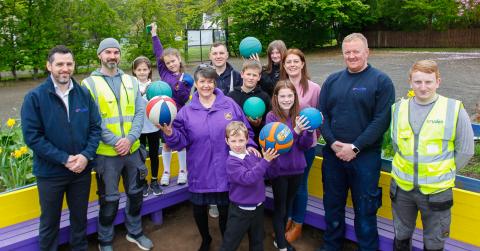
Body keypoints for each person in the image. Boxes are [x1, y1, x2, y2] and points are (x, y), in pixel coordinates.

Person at [157, 65, 260, 251]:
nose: (206, 85)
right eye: (202, 81)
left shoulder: (229, 105)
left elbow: (246, 130)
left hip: (225, 172)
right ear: (196, 83)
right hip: (199, 170)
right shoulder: (187, 111)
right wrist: (170, 133)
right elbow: (180, 142)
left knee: (225, 211)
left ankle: (226, 242)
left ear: (215, 82)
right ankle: (206, 240)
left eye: (210, 81)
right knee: (199, 211)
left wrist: (251, 146)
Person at [318, 33, 395, 251]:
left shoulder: (381, 81)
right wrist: (332, 143)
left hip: (365, 158)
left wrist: (356, 147)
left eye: (356, 51)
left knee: (365, 209)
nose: (351, 56)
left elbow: (382, 120)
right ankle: (331, 246)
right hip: (333, 156)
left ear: (367, 52)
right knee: (332, 206)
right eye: (347, 52)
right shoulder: (332, 80)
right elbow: (322, 114)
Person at [21, 45, 102, 250]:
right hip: (50, 174)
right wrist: (64, 159)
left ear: (73, 66)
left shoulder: (84, 94)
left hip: (80, 171)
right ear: (49, 66)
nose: (64, 69)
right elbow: (33, 137)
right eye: (59, 64)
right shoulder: (35, 98)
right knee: (49, 223)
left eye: (68, 64)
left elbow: (95, 128)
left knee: (79, 219)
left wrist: (85, 156)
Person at [390, 60, 474, 251]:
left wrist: (445, 171)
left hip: (437, 193)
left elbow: (466, 150)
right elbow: (396, 144)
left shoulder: (454, 109)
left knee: (434, 241)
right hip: (402, 189)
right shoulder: (398, 109)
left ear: (438, 82)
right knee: (401, 236)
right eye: (418, 82)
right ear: (410, 82)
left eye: (428, 82)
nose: (423, 87)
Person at [81, 38, 153, 251]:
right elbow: (92, 119)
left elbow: (140, 112)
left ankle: (135, 232)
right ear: (100, 55)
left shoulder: (131, 81)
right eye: (108, 52)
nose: (112, 56)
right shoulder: (89, 84)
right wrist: (115, 142)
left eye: (116, 52)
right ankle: (105, 240)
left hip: (132, 150)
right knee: (109, 200)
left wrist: (130, 138)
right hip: (106, 155)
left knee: (136, 194)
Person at [266, 80, 314, 251]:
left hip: (297, 169)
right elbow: (278, 145)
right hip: (279, 171)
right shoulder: (272, 117)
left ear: (295, 96)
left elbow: (304, 146)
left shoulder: (301, 115)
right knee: (280, 207)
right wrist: (296, 131)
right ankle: (281, 244)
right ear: (276, 98)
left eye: (290, 95)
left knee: (289, 204)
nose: (286, 99)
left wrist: (308, 130)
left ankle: (280, 238)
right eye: (282, 96)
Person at [280, 48, 321, 242]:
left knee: (301, 185)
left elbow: (319, 117)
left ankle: (298, 223)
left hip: (305, 146)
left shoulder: (314, 88)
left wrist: (312, 137)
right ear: (284, 65)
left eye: (296, 61)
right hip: (285, 146)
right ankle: (287, 219)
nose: (292, 65)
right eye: (288, 62)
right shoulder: (280, 86)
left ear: (303, 64)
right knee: (288, 185)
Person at [219, 121, 278, 251]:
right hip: (240, 211)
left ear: (247, 139)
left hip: (258, 207)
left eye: (241, 140)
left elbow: (266, 174)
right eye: (233, 141)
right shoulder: (232, 162)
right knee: (230, 243)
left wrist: (271, 159)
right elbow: (248, 178)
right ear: (227, 141)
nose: (238, 145)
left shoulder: (253, 155)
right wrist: (265, 161)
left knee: (257, 241)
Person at [150, 22, 192, 186]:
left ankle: (183, 171)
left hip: (179, 115)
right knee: (166, 144)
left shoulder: (186, 78)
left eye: (173, 61)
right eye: (168, 63)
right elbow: (159, 54)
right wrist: (154, 35)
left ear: (179, 59)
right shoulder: (164, 73)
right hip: (164, 114)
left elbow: (182, 98)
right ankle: (166, 172)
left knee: (180, 144)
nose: (171, 64)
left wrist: (180, 85)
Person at [131, 56, 163, 196]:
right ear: (134, 71)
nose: (142, 72)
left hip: (153, 126)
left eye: (145, 69)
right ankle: (143, 182)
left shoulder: (155, 86)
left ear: (150, 70)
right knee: (140, 157)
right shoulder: (131, 86)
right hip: (139, 128)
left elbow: (162, 103)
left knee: (154, 154)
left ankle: (155, 181)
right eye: (139, 69)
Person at [228, 59, 271, 146]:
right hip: (236, 142)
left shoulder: (264, 97)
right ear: (242, 74)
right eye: (248, 74)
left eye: (254, 75)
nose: (251, 78)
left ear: (259, 77)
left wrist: (259, 123)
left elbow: (268, 121)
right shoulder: (231, 96)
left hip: (257, 141)